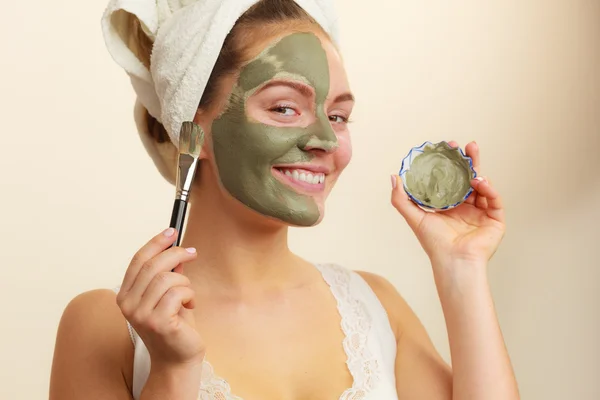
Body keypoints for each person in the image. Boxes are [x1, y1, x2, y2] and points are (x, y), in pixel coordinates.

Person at [49, 0, 520, 399]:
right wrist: (172, 371)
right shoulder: (104, 328)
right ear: (193, 129)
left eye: (337, 116)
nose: (325, 140)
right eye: (284, 107)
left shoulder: (376, 307)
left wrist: (462, 269)